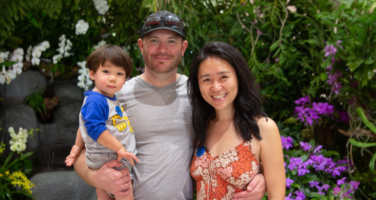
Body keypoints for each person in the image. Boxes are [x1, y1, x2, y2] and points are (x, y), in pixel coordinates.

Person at [73, 10, 267, 200]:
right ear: (141, 45)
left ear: (183, 48)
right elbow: (83, 150)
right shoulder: (116, 95)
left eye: (171, 41)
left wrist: (259, 176)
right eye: (154, 41)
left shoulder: (200, 94)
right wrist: (95, 176)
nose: (162, 49)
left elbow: (232, 136)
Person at [188, 41, 286, 199]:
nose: (216, 87)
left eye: (223, 77)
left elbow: (277, 197)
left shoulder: (262, 128)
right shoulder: (201, 127)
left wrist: (263, 179)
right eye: (206, 80)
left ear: (238, 78)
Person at [65, 44, 139, 200]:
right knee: (124, 190)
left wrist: (77, 146)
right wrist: (119, 148)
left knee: (104, 193)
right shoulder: (96, 100)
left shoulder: (105, 98)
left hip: (105, 155)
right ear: (92, 74)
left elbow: (84, 124)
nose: (113, 78)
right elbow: (94, 129)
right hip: (110, 156)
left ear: (125, 79)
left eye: (119, 73)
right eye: (106, 71)